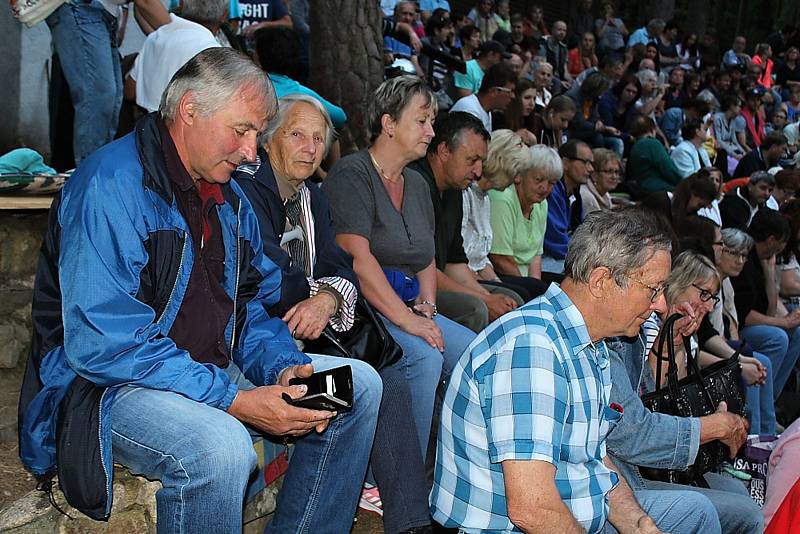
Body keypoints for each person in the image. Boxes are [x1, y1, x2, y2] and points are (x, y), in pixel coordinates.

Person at [17, 48, 382, 533]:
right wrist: (235, 400)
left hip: (204, 372)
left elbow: (248, 306)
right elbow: (105, 345)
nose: (253, 152)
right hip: (107, 387)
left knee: (356, 388)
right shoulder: (110, 186)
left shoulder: (229, 195)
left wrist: (280, 366)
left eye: (257, 134)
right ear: (190, 109)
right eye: (243, 130)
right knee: (220, 449)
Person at [431, 208, 722, 534]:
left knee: (695, 513)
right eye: (653, 289)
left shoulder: (587, 343)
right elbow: (532, 509)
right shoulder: (532, 350)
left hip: (566, 517)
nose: (660, 306)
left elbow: (593, 462)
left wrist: (638, 524)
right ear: (601, 281)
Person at [231, 94, 434, 533]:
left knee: (388, 376)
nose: (309, 147)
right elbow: (272, 280)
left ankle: (410, 521)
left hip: (300, 340)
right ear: (268, 140)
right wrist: (323, 290)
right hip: (257, 351)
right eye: (297, 135)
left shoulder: (311, 199)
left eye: (318, 139)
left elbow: (338, 267)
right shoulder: (245, 188)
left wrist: (326, 297)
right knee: (357, 387)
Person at [322, 76, 476, 467]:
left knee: (475, 353)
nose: (431, 131)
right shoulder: (353, 174)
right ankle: (396, 477)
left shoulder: (417, 184)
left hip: (407, 304)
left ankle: (453, 465)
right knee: (424, 357)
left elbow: (425, 257)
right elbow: (357, 258)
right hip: (358, 307)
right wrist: (409, 321)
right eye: (422, 120)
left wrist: (426, 307)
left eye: (432, 121)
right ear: (389, 123)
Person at [605, 250, 764, 534]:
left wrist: (677, 342)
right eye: (703, 293)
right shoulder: (637, 329)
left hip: (652, 460)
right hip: (636, 470)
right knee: (742, 512)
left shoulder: (672, 325)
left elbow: (665, 397)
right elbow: (647, 409)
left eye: (713, 298)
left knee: (741, 495)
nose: (708, 304)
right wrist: (712, 426)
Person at [409, 112, 521, 332]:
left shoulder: (454, 189)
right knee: (475, 308)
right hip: (415, 286)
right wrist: (484, 300)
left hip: (438, 278)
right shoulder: (416, 183)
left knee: (510, 299)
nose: (479, 171)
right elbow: (423, 268)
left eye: (481, 161)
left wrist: (489, 297)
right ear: (443, 151)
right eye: (471, 160)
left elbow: (454, 263)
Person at [462, 130, 549, 302]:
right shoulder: (466, 194)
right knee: (522, 295)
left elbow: (481, 260)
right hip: (463, 277)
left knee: (535, 291)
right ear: (502, 164)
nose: (517, 179)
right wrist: (492, 292)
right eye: (516, 171)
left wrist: (497, 283)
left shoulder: (485, 197)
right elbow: (464, 260)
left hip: (481, 273)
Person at [732, 209, 800, 401]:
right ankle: (766, 403)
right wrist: (784, 323)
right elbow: (744, 315)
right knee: (778, 337)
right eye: (779, 247)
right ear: (771, 240)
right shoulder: (744, 261)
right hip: (740, 327)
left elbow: (769, 308)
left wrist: (769, 271)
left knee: (795, 333)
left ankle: (772, 398)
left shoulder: (761, 261)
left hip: (750, 323)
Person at [715, 227, 777, 435]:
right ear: (720, 250)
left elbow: (733, 328)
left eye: (744, 255)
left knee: (760, 361)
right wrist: (738, 357)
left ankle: (765, 433)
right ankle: (753, 437)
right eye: (734, 253)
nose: (740, 260)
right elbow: (710, 334)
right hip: (710, 350)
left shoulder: (728, 282)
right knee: (757, 360)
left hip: (724, 345)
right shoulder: (709, 279)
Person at [45, 0, 123, 164]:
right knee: (98, 95)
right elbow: (146, 3)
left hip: (102, 12)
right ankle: (89, 178)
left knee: (110, 97)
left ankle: (96, 173)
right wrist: (181, 31)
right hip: (82, 7)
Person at [125, 0, 225, 114]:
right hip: (181, 126)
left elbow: (129, 91)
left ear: (181, 5)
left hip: (145, 124)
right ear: (224, 15)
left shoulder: (157, 37)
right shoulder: (213, 52)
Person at [488, 144, 563, 282]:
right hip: (500, 275)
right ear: (520, 176)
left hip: (524, 278)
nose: (545, 188)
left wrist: (535, 284)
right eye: (539, 180)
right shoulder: (503, 198)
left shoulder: (542, 204)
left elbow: (536, 256)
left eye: (551, 183)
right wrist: (531, 288)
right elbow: (500, 258)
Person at [542, 140, 594, 276]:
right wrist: (586, 257)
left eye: (591, 163)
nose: (590, 169)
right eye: (585, 162)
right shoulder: (551, 192)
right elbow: (556, 240)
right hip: (547, 257)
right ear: (565, 163)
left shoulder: (575, 193)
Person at [451, 63, 517, 132]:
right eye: (510, 91)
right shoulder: (469, 110)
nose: (513, 96)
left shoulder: (486, 110)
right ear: (494, 91)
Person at [627, 115, 682, 192]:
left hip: (641, 187)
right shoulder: (652, 143)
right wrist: (683, 183)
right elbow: (667, 167)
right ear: (652, 130)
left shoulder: (635, 146)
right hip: (658, 187)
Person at [580, 148, 622, 217]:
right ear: (594, 174)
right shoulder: (587, 198)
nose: (614, 177)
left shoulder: (605, 193)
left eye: (616, 172)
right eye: (609, 171)